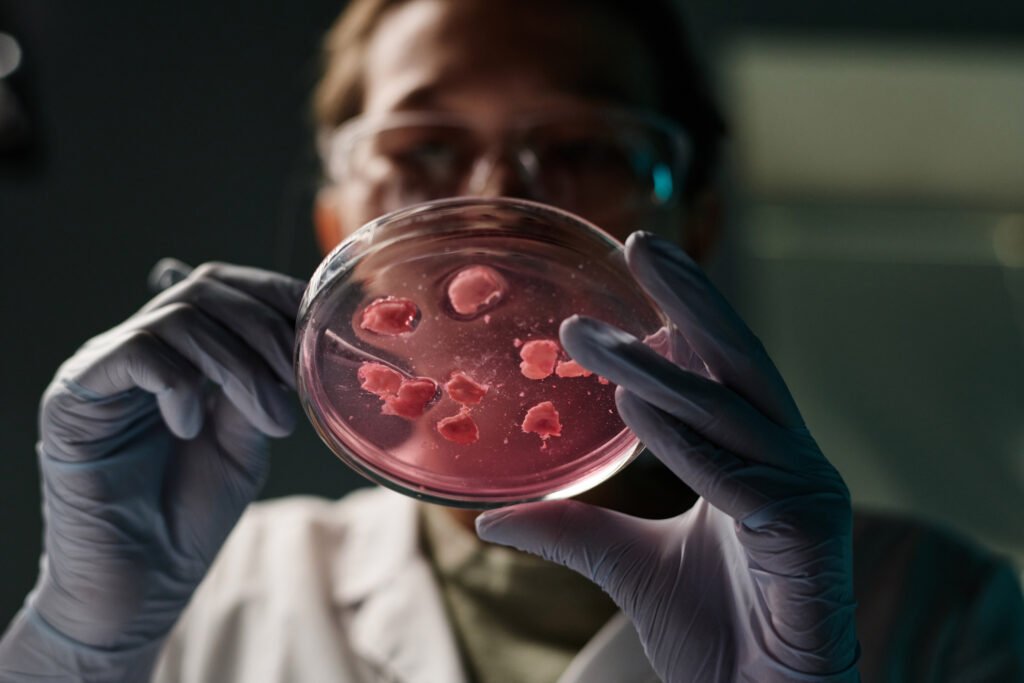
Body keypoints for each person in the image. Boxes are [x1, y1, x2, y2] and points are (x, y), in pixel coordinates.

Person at [1, 0, 1022, 681]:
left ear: (697, 217)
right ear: (335, 225)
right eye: (425, 149)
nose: (494, 201)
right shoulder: (226, 591)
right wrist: (77, 648)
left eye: (579, 146)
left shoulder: (935, 606)